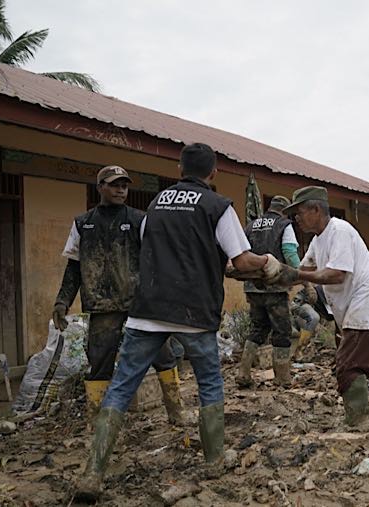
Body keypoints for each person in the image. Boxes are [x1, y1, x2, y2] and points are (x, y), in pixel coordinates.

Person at [75, 143, 275, 501]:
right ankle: (214, 459)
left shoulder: (154, 205)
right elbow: (242, 261)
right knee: (209, 383)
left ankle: (93, 472)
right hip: (194, 313)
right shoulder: (218, 206)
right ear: (213, 173)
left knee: (121, 386)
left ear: (180, 169)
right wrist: (267, 262)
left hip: (148, 309)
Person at [53, 165, 187, 425]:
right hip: (102, 305)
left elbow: (156, 258)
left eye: (124, 185)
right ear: (100, 187)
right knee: (99, 364)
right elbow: (73, 267)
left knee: (163, 355)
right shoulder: (83, 223)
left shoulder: (139, 219)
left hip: (141, 303)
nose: (121, 189)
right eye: (114, 184)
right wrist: (62, 301)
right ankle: (97, 421)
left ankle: (176, 412)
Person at [267, 186, 369, 427]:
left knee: (348, 366)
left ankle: (359, 422)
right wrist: (271, 273)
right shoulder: (318, 240)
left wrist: (296, 274)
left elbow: (336, 275)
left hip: (367, 303)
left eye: (300, 212)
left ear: (316, 209)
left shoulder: (339, 231)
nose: (296, 219)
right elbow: (305, 271)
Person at [236, 195, 312, 388]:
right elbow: (289, 252)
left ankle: (243, 372)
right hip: (275, 286)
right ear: (284, 211)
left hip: (253, 286)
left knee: (258, 328)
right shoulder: (283, 224)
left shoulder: (251, 225)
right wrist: (303, 279)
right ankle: (282, 377)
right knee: (282, 331)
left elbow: (241, 253)